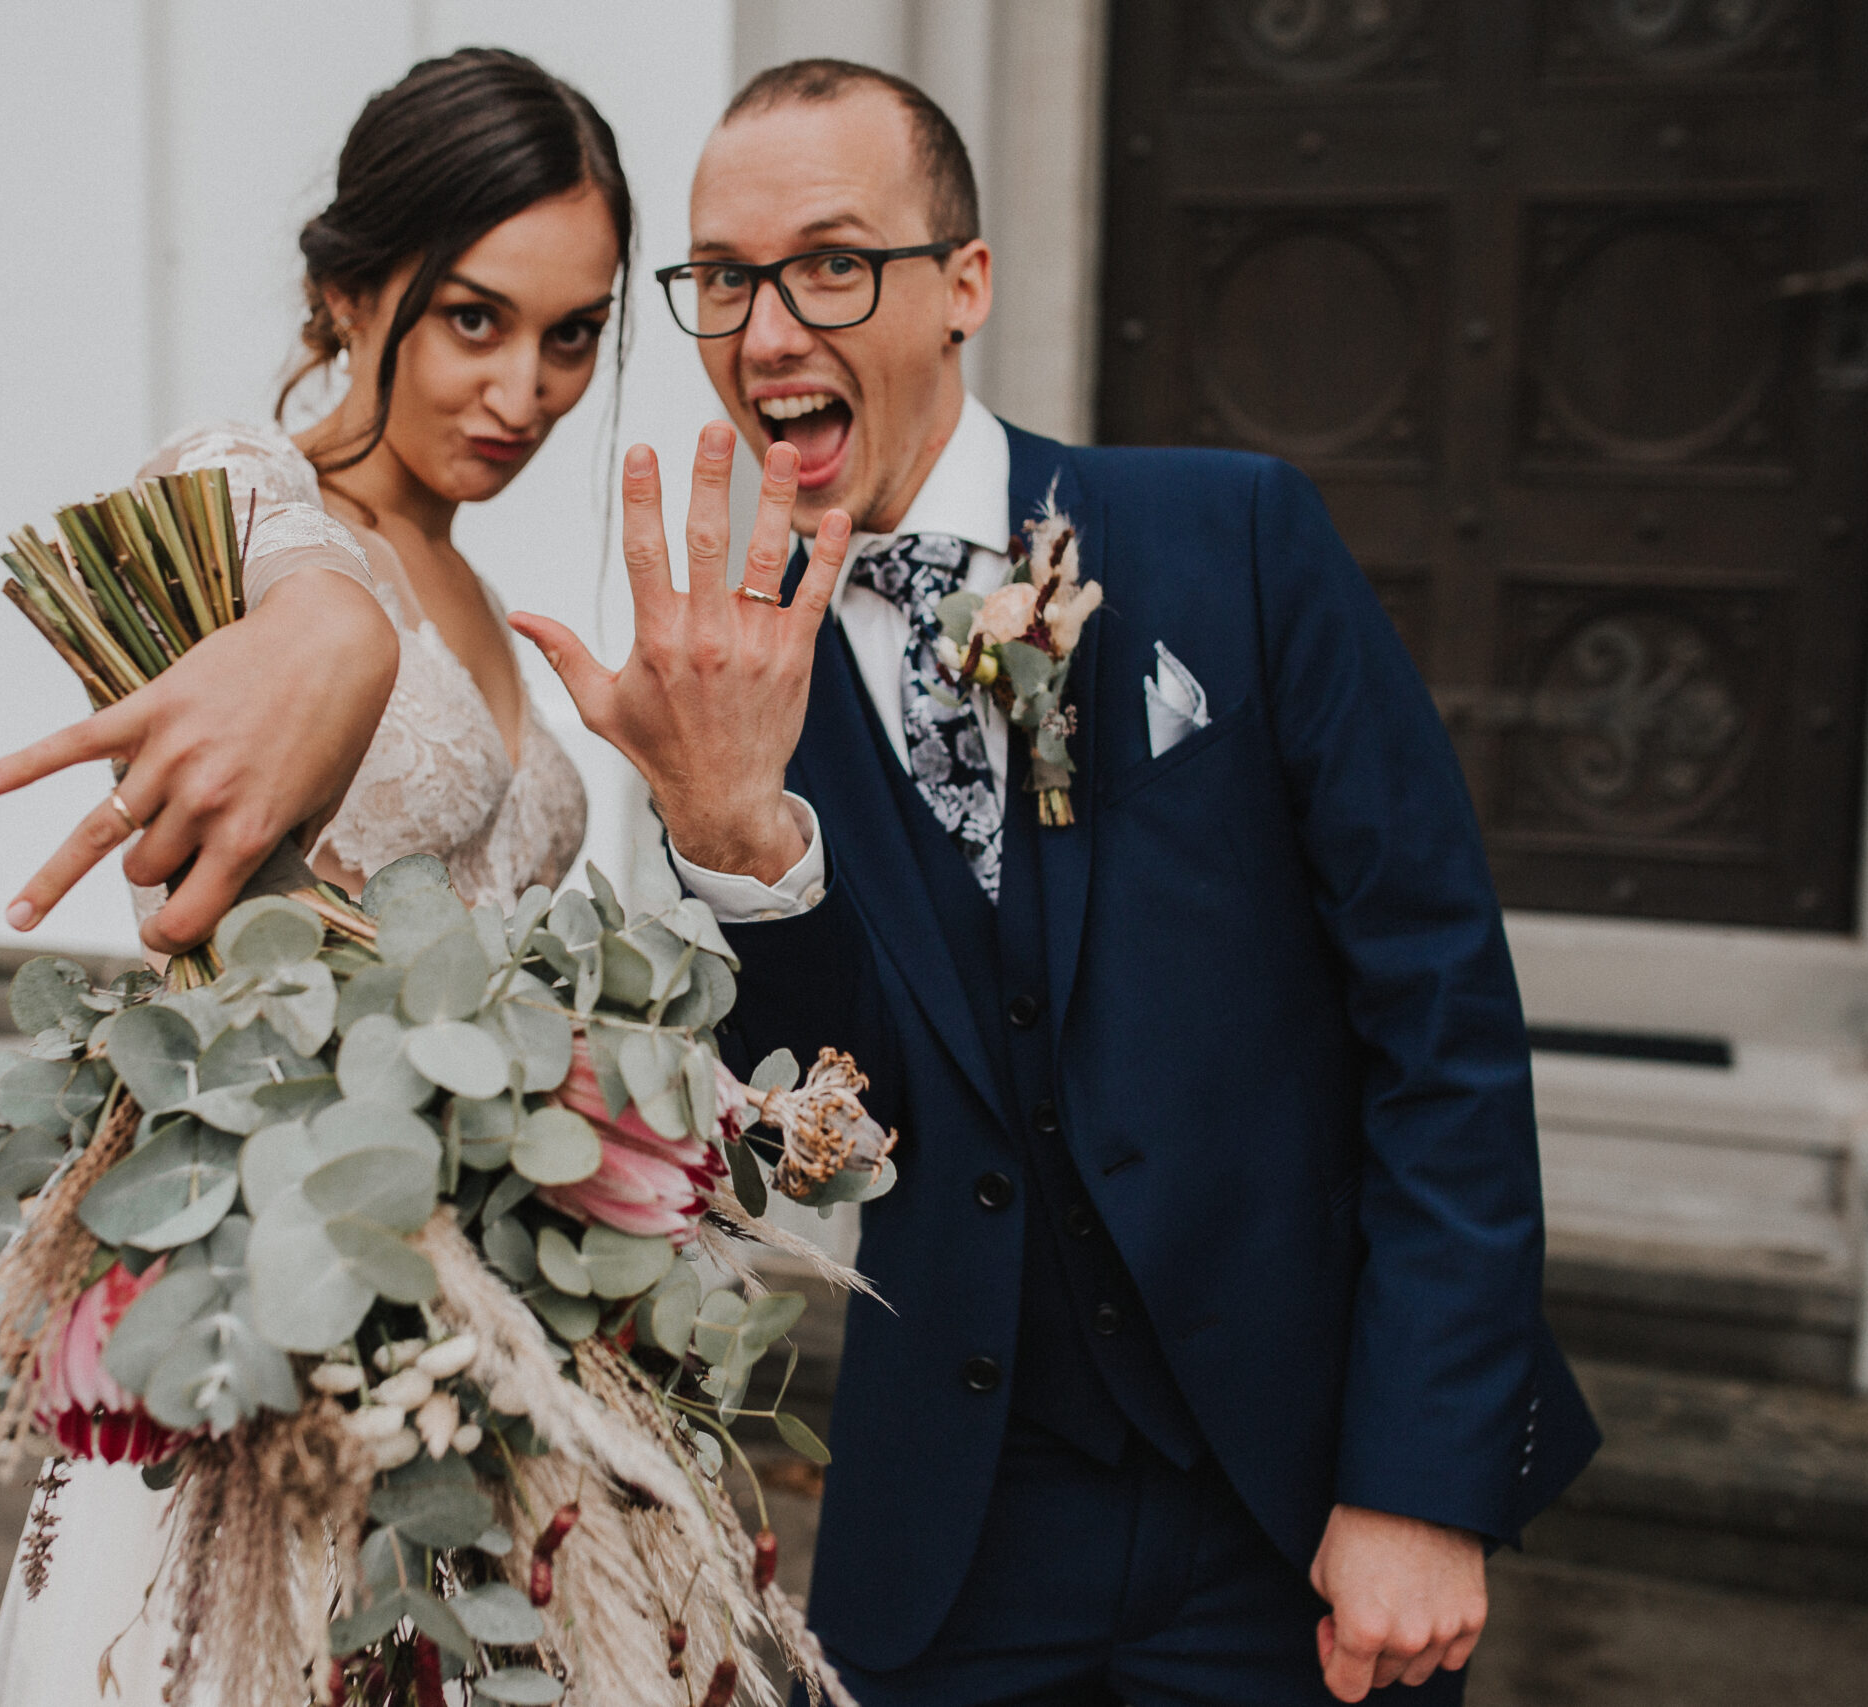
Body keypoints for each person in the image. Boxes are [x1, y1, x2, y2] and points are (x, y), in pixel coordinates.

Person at [508, 60, 1602, 1706]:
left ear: (965, 284)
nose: (766, 328)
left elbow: (1442, 1025)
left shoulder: (1234, 539)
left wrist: (1419, 1483)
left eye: (831, 261)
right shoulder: (721, 676)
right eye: (723, 279)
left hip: (1297, 1504)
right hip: (953, 1540)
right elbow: (836, 1116)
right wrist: (733, 832)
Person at [0, 48, 621, 1702]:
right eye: (473, 318)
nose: (526, 391)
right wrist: (325, 628)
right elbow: (288, 586)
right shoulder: (238, 497)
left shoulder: (487, 609)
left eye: (573, 335)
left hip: (470, 1338)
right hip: (256, 1310)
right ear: (345, 295)